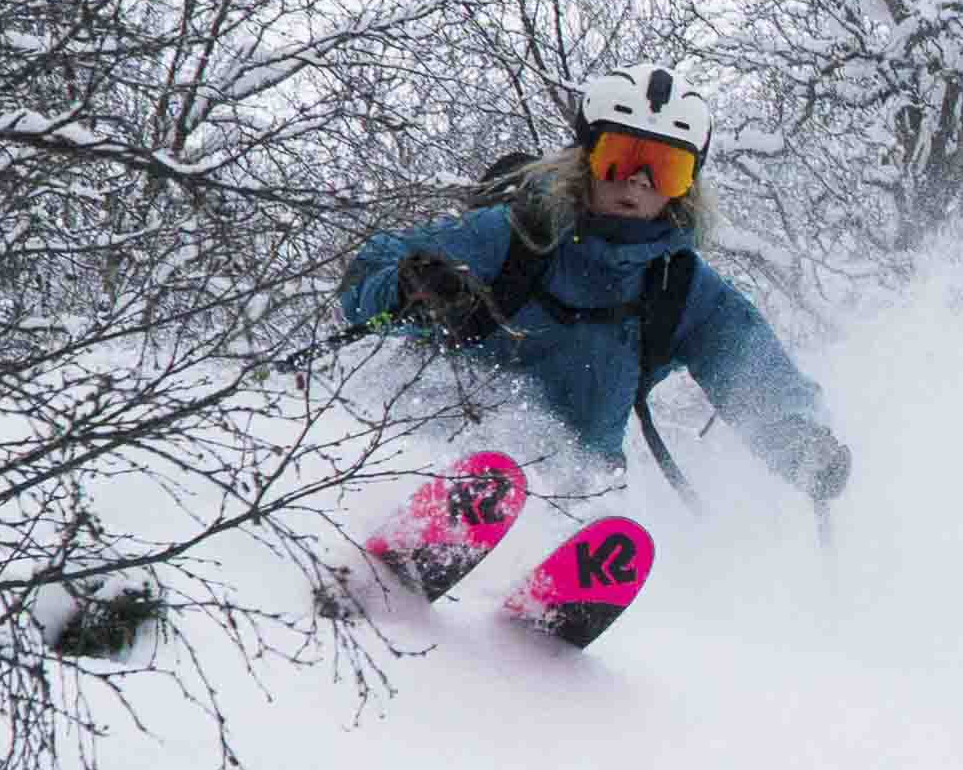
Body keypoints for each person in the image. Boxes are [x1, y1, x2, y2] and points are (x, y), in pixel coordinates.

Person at [338, 70, 850, 502]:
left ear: (685, 189)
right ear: (585, 159)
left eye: (665, 169)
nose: (638, 181)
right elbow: (367, 277)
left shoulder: (678, 286)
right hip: (426, 451)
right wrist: (408, 288)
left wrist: (800, 446)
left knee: (584, 496)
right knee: (486, 444)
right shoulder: (511, 236)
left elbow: (748, 366)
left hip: (573, 489)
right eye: (621, 158)